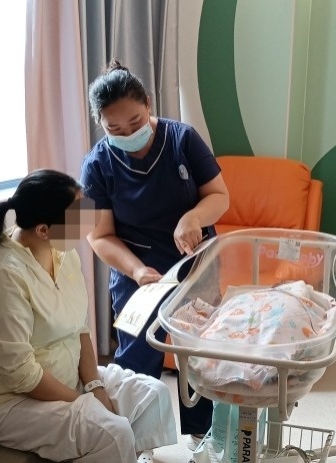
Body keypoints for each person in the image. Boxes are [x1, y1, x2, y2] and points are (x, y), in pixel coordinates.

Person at [0, 169, 177, 462]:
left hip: (68, 377)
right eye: (78, 216)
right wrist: (85, 401)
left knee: (153, 394)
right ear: (43, 230)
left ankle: (129, 457)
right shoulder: (0, 277)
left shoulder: (63, 252)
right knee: (112, 431)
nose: (90, 221)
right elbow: (22, 375)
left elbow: (79, 328)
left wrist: (94, 386)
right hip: (9, 402)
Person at [81, 60, 230, 447]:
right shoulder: (96, 165)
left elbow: (220, 196)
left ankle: (202, 436)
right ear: (101, 125)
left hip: (195, 261)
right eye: (115, 129)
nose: (129, 134)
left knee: (197, 352)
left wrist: (193, 217)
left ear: (148, 103)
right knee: (137, 358)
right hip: (137, 273)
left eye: (135, 122)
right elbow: (99, 236)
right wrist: (135, 270)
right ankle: (137, 442)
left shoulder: (183, 139)